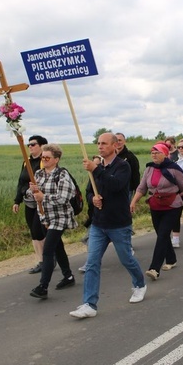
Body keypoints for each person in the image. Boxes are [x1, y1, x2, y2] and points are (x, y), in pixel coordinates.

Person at [69, 133, 146, 319]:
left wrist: (96, 169)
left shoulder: (122, 166)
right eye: (98, 143)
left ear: (114, 146)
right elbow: (88, 191)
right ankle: (89, 304)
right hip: (98, 223)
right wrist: (92, 199)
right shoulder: (97, 167)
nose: (100, 146)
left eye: (104, 143)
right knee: (92, 263)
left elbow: (117, 185)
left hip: (119, 223)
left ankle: (139, 284)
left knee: (126, 258)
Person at [130, 143, 183, 281]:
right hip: (155, 205)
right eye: (152, 152)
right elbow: (142, 188)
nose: (154, 155)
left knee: (162, 235)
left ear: (165, 154)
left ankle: (154, 268)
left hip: (172, 205)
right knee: (162, 235)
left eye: (157, 152)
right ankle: (171, 259)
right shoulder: (149, 168)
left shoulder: (174, 169)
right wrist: (133, 202)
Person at [28, 144, 77, 299]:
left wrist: (44, 197)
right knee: (57, 247)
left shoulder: (62, 175)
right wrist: (32, 191)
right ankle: (68, 276)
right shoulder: (39, 174)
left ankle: (43, 286)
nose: (44, 160)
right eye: (43, 157)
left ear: (56, 159)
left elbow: (64, 197)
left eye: (47, 157)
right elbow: (33, 196)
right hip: (45, 217)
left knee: (48, 250)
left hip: (60, 217)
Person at [12, 135, 48, 274]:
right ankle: (41, 260)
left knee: (38, 230)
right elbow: (21, 182)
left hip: (42, 202)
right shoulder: (26, 162)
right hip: (29, 203)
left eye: (33, 144)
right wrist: (17, 201)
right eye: (29, 145)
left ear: (42, 146)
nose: (30, 147)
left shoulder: (45, 161)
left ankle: (46, 258)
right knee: (33, 232)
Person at [115, 132, 140, 201]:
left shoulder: (130, 157)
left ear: (124, 141)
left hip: (127, 190)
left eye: (120, 140)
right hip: (112, 188)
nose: (118, 142)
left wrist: (137, 190)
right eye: (116, 140)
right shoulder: (109, 156)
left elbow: (135, 174)